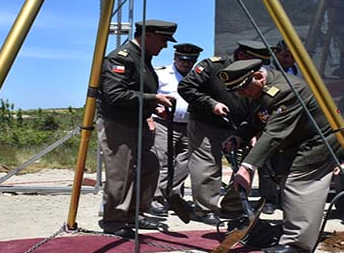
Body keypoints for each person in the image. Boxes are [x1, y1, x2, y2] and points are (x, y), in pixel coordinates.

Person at [219, 58, 344, 253]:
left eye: (242, 89)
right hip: (299, 142)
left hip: (321, 141)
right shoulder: (258, 88)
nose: (240, 94)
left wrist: (248, 166)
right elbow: (258, 118)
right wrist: (239, 136)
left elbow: (274, 132)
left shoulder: (286, 91)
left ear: (259, 77)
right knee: (288, 182)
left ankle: (297, 242)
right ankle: (293, 231)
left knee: (299, 185)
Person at [97, 19, 178, 239]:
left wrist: (154, 105)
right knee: (121, 174)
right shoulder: (121, 57)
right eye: (163, 40)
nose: (165, 46)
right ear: (148, 35)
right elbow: (115, 94)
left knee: (149, 167)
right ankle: (114, 220)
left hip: (138, 122)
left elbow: (136, 91)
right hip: (119, 125)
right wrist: (153, 98)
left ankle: (134, 213)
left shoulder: (143, 58)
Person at [178, 40, 270, 225]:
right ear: (243, 56)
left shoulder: (256, 74)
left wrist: (252, 130)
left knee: (245, 166)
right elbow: (186, 88)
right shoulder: (213, 65)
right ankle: (205, 209)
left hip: (239, 126)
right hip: (207, 123)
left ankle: (233, 206)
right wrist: (211, 104)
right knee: (207, 165)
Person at [149, 43, 203, 216]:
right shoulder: (161, 73)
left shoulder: (199, 77)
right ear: (175, 58)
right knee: (163, 161)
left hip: (190, 125)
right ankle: (157, 198)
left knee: (184, 163)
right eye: (182, 60)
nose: (185, 64)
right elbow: (150, 96)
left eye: (190, 61)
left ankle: (174, 196)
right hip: (165, 123)